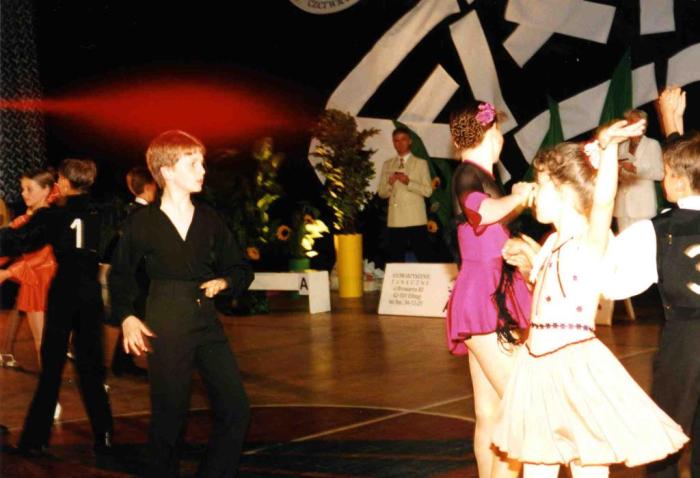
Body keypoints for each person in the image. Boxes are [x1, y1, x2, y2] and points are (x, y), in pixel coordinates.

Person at [491, 120, 688, 477]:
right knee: (537, 462)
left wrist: (608, 150)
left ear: (567, 193)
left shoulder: (589, 240)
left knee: (588, 463)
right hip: (537, 366)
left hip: (575, 367)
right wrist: (529, 264)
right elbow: (551, 299)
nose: (534, 192)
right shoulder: (552, 241)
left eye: (541, 185)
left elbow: (604, 200)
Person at [109, 130, 253, 476]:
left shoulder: (209, 218)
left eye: (202, 162)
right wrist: (127, 317)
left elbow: (240, 268)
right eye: (193, 163)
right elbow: (120, 275)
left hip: (206, 321)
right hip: (167, 318)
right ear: (168, 170)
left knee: (236, 409)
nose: (202, 170)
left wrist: (226, 281)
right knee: (169, 419)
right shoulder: (142, 222)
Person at [601, 86, 700, 478]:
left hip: (684, 346)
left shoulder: (654, 231)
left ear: (673, 180)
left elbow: (613, 287)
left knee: (665, 434)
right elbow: (689, 161)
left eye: (666, 174)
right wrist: (672, 123)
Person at [0, 159, 114, 456]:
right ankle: (104, 436)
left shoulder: (53, 216)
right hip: (90, 295)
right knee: (92, 369)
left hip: (64, 294)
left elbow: (18, 242)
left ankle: (34, 439)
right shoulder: (101, 213)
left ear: (64, 181)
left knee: (51, 370)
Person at [446, 101, 534, 478]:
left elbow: (490, 220)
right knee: (522, 404)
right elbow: (479, 212)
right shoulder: (468, 174)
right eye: (499, 131)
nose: (502, 139)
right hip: (483, 298)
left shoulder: (479, 175)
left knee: (490, 411)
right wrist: (519, 196)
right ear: (489, 133)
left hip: (487, 294)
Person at [0, 170, 59, 369]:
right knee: (41, 338)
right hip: (34, 279)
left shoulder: (47, 220)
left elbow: (43, 257)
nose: (23, 194)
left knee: (45, 338)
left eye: (29, 189)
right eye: (22, 189)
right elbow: (9, 249)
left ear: (46, 190)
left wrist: (7, 273)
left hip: (44, 279)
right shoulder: (26, 220)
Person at [109, 166, 156, 378]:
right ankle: (124, 362)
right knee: (139, 316)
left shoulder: (130, 211)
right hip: (140, 277)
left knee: (133, 317)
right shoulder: (144, 215)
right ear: (149, 187)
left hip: (133, 275)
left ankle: (122, 362)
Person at [377, 126, 434, 262]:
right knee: (396, 259)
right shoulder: (388, 164)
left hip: (415, 218)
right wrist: (390, 183)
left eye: (403, 139)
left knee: (424, 258)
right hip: (396, 219)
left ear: (410, 141)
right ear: (393, 143)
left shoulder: (421, 163)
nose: (400, 143)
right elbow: (381, 194)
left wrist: (408, 182)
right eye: (396, 140)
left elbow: (428, 191)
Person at [614, 109, 664, 231]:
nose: (632, 125)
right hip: (622, 208)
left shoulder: (652, 144)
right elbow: (619, 177)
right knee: (623, 241)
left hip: (643, 207)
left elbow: (660, 174)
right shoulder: (622, 146)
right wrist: (618, 171)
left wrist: (635, 169)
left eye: (637, 122)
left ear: (645, 126)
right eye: (630, 121)